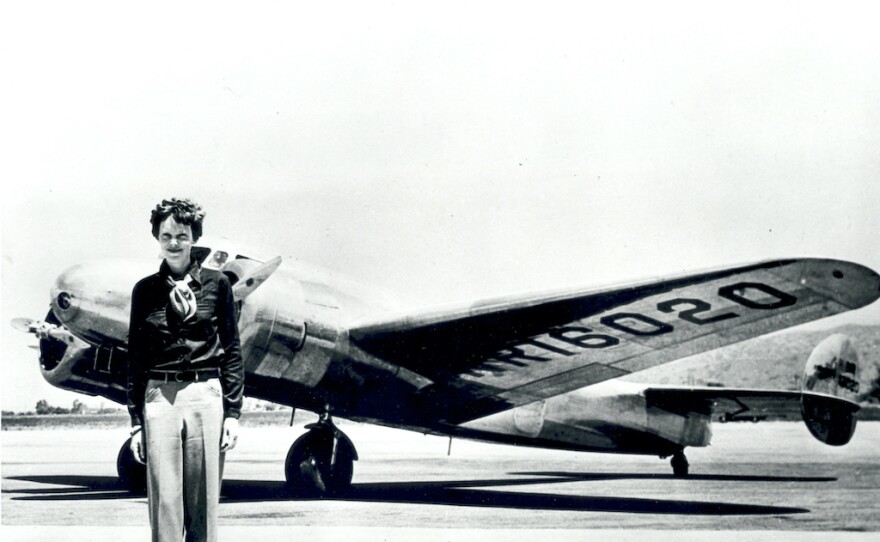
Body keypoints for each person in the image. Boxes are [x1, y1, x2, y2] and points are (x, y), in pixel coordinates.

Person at [127, 198, 244, 542]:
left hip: (205, 396)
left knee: (204, 506)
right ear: (157, 239)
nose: (174, 242)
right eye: (166, 235)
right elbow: (135, 358)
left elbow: (233, 349)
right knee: (164, 504)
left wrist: (233, 412)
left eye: (181, 234)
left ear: (194, 237)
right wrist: (136, 422)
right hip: (159, 397)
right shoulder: (145, 290)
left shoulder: (218, 284)